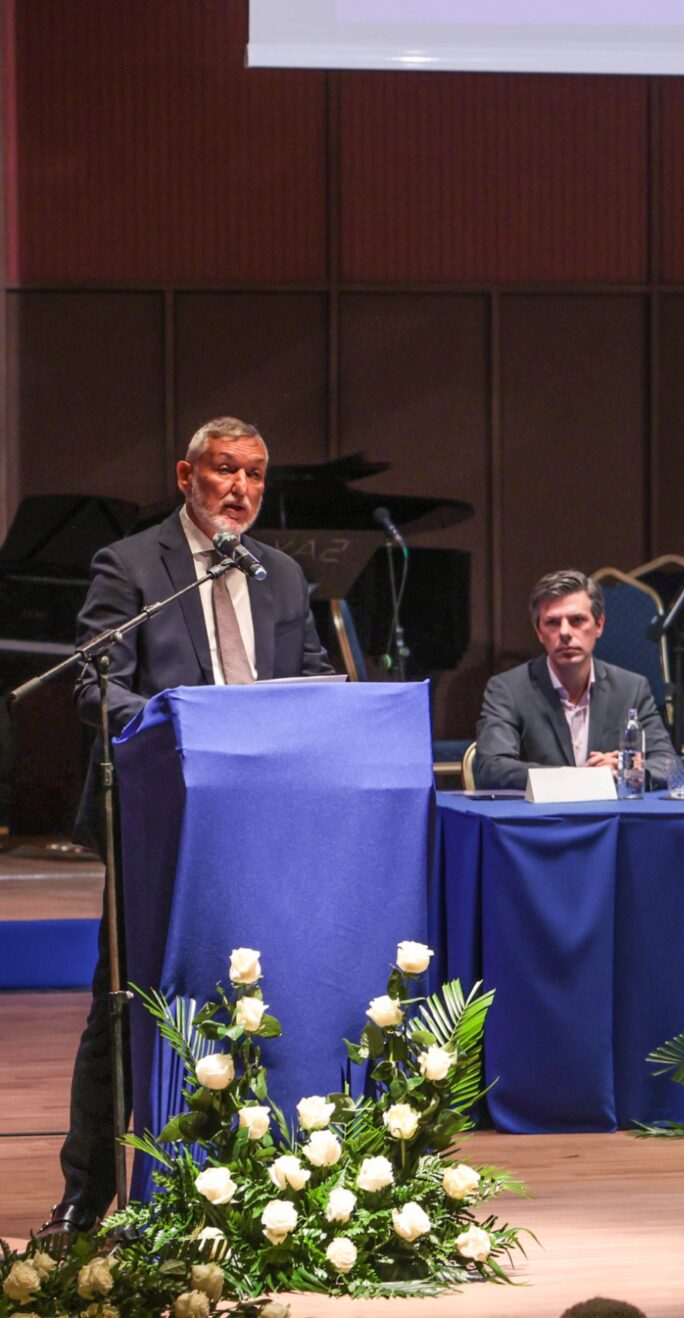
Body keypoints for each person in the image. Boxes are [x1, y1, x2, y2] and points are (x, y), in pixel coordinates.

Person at [48, 417, 334, 1237]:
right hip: (161, 814)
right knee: (124, 1001)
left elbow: (311, 674)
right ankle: (86, 1194)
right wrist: (185, 728)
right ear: (186, 475)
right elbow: (96, 685)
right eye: (223, 470)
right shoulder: (134, 564)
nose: (240, 488)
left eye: (254, 474)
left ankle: (273, 1173)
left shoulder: (282, 574)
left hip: (266, 820)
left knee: (267, 992)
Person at [473, 569, 674, 791]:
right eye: (552, 622)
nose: (565, 632)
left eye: (577, 620)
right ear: (539, 631)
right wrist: (578, 777)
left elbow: (667, 763)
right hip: (544, 812)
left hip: (612, 810)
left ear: (599, 625)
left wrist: (624, 770)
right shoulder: (508, 689)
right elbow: (491, 768)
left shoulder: (631, 688)